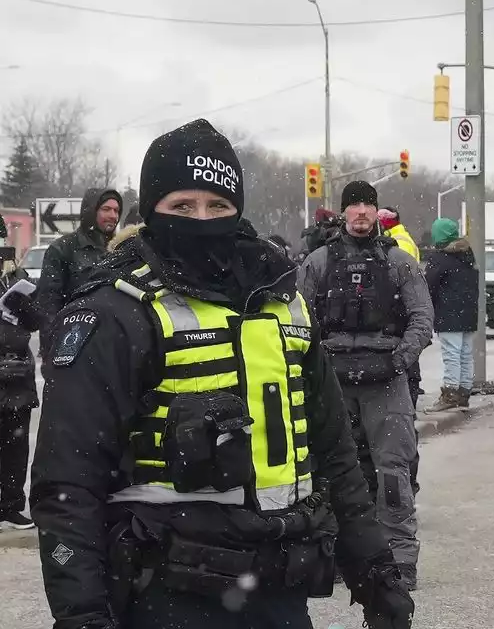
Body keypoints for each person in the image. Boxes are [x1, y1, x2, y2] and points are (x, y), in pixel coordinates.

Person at [30, 119, 413, 629]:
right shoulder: (114, 312)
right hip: (164, 592)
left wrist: (373, 570)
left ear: (237, 210)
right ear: (152, 211)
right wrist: (80, 614)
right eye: (181, 206)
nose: (201, 219)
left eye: (218, 206)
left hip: (279, 585)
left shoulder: (283, 303)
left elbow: (334, 452)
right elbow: (66, 485)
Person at [299, 180, 433, 591]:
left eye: (367, 205)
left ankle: (399, 559)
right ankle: (342, 554)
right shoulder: (319, 262)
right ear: (343, 212)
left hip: (385, 383)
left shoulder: (399, 263)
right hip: (333, 383)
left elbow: (422, 319)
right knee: (337, 472)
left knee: (393, 470)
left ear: (377, 212)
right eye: (353, 205)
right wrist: (315, 369)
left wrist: (397, 361)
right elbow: (296, 321)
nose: (360, 212)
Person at [36, 188, 121, 345]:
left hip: (112, 345)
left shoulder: (120, 250)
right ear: (90, 212)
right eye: (106, 209)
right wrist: (51, 348)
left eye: (116, 210)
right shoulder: (63, 248)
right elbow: (48, 304)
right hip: (73, 342)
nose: (113, 215)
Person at [421, 217, 479, 411]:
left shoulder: (439, 259)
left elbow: (429, 285)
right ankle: (464, 391)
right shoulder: (467, 255)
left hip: (449, 313)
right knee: (465, 354)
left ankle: (450, 393)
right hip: (468, 313)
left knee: (451, 354)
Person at [0, 247, 39, 531]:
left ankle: (12, 506)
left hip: (17, 376)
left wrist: (23, 306)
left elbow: (37, 321)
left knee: (16, 446)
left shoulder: (17, 278)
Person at [377, 207, 424, 410]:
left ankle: (408, 402)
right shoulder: (401, 238)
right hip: (402, 307)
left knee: (406, 359)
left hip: (401, 308)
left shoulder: (399, 243)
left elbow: (400, 276)